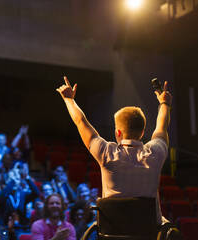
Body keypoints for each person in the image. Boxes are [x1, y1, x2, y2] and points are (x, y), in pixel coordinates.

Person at [56, 76, 172, 224]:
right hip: (147, 232)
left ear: (118, 133)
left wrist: (69, 100)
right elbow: (161, 127)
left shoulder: (107, 153)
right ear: (142, 132)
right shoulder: (155, 153)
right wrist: (164, 103)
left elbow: (80, 121)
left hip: (112, 232)